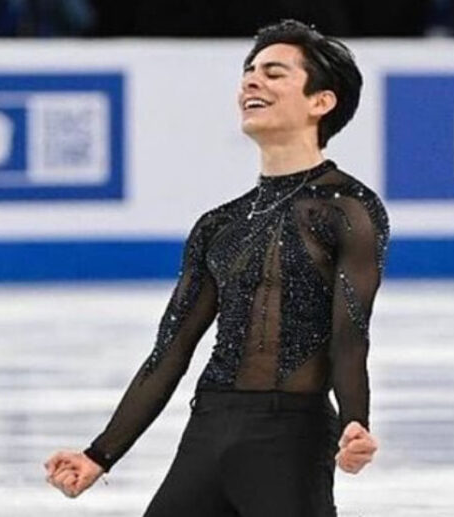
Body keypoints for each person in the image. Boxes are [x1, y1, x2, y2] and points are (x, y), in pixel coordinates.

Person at [44, 18, 390, 516]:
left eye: (274, 73)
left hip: (289, 441)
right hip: (207, 432)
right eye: (249, 72)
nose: (252, 82)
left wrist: (356, 420)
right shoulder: (218, 225)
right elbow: (170, 350)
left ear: (321, 101)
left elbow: (350, 334)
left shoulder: (348, 209)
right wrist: (100, 454)